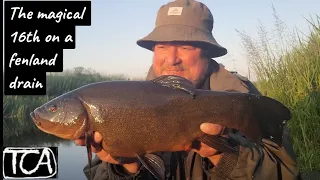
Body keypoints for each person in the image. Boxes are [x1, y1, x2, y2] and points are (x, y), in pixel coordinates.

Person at [75, 0, 302, 179]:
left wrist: (222, 155)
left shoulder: (242, 99)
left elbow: (283, 174)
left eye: (185, 46)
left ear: (207, 52)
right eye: (162, 46)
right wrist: (128, 167)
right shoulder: (126, 103)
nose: (172, 59)